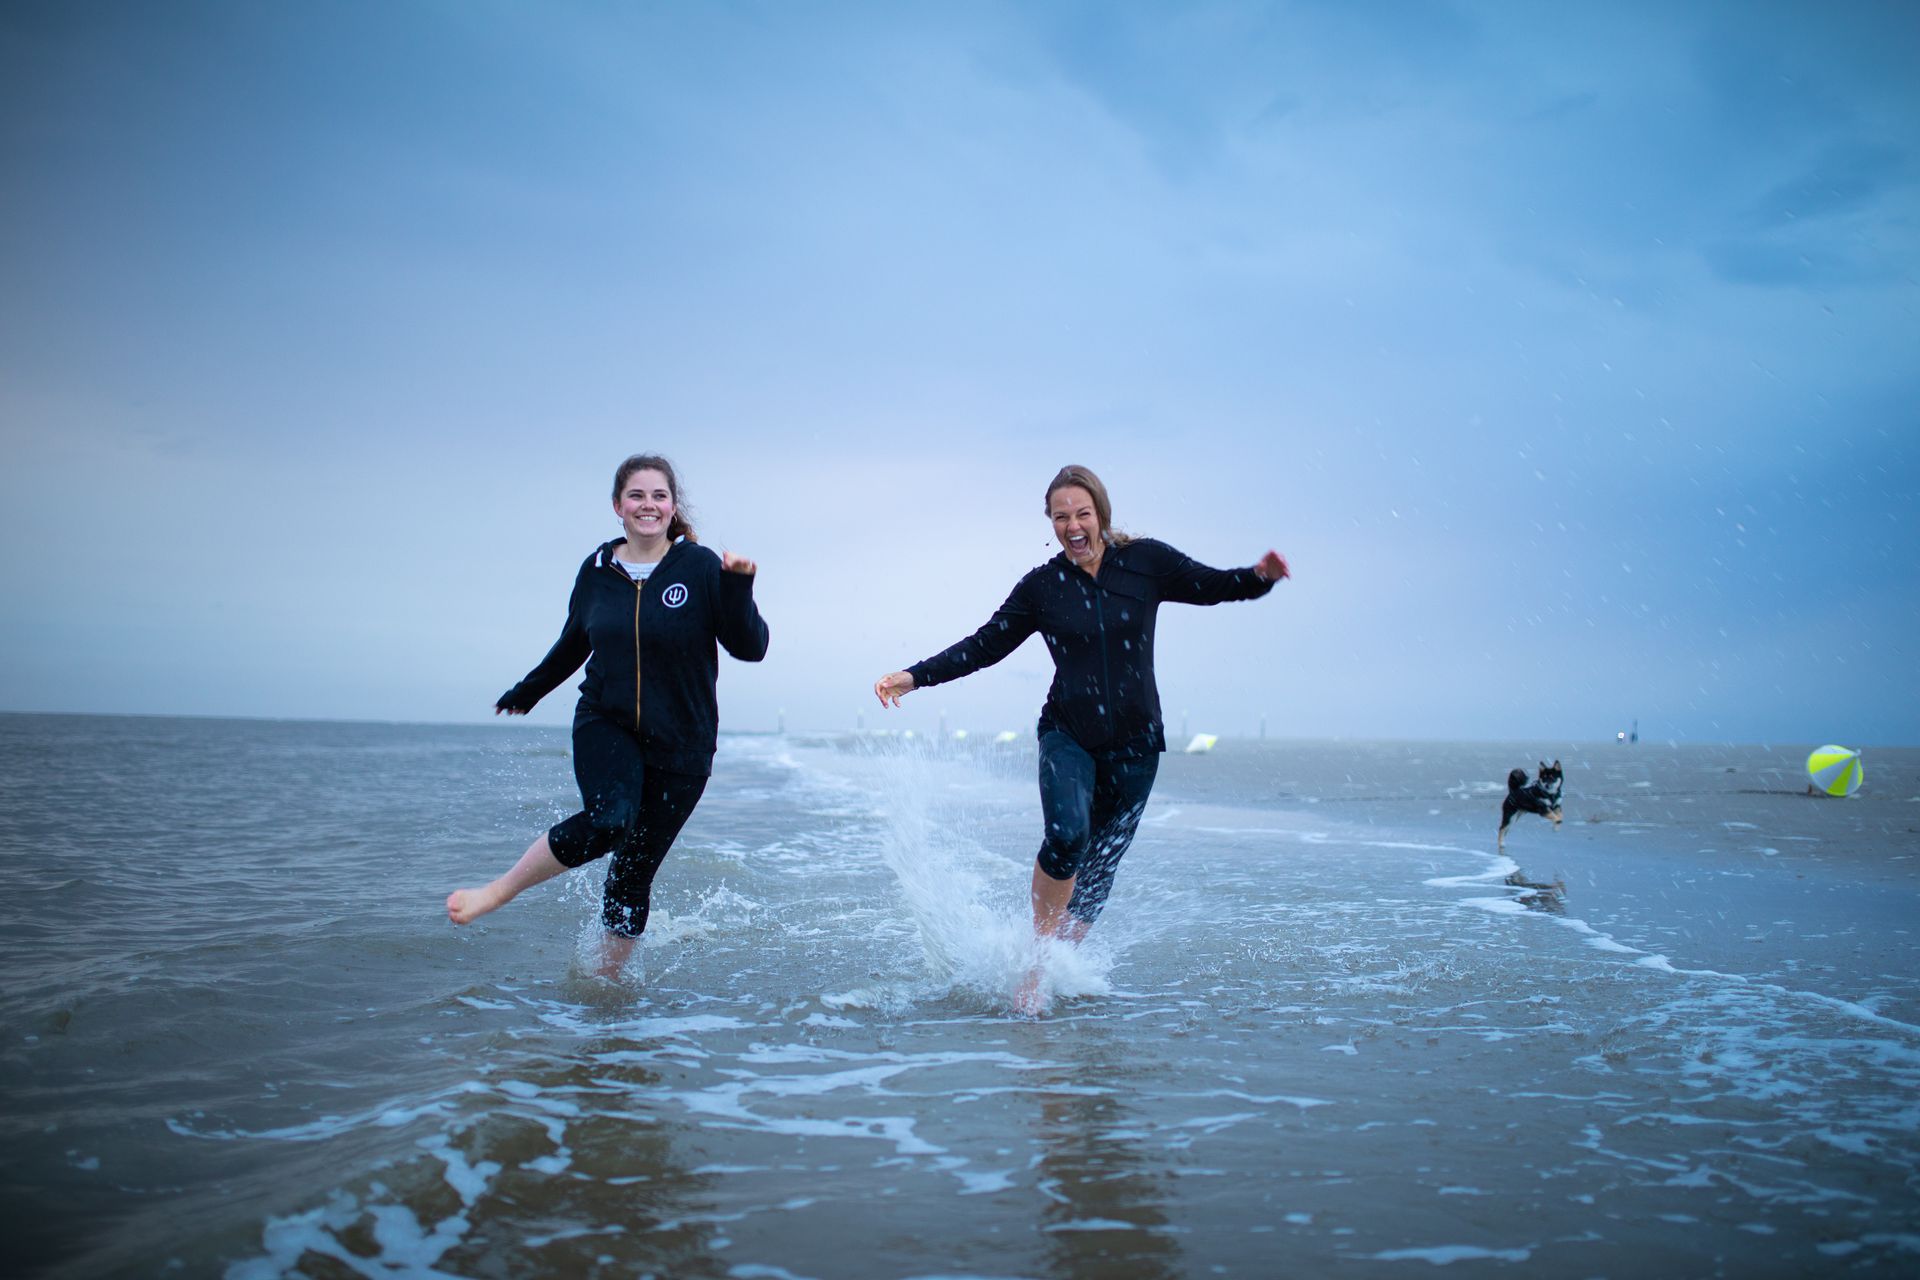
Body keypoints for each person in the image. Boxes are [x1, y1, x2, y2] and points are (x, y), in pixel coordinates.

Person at [873, 464, 1287, 1011]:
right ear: (1050, 523)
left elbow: (1212, 587)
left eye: (1082, 514)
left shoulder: (1146, 563)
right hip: (1068, 733)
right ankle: (1034, 965)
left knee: (1098, 868)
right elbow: (985, 644)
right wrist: (915, 676)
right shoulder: (1043, 588)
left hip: (1137, 746)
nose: (1073, 525)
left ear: (1101, 515)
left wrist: (1259, 577)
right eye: (1060, 516)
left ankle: (1054, 964)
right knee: (1068, 835)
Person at [448, 454, 769, 977]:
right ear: (618, 506)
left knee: (632, 874)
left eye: (659, 496)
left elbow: (750, 647)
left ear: (673, 507)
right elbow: (574, 642)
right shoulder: (597, 570)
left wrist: (738, 586)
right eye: (636, 495)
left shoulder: (700, 566)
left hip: (684, 742)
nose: (648, 505)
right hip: (606, 719)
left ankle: (605, 988)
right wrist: (529, 691)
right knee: (609, 820)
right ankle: (498, 892)